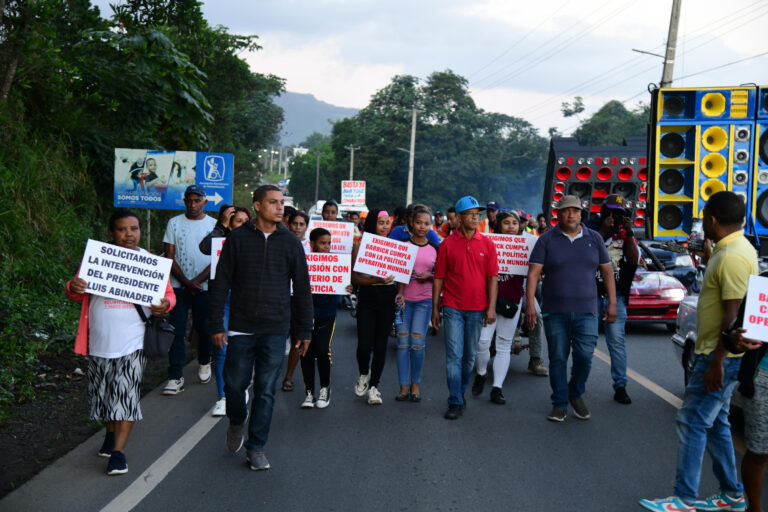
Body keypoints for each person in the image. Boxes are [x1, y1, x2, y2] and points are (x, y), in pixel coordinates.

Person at [640, 191, 757, 512]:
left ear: (712, 219)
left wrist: (717, 361)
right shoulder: (729, 250)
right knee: (717, 422)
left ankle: (684, 497)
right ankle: (732, 493)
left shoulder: (732, 257)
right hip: (717, 353)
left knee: (691, 420)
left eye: (705, 216)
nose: (702, 222)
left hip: (718, 355)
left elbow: (733, 316)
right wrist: (708, 259)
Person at [208, 184, 313, 471]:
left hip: (276, 328)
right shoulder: (238, 239)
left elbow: (303, 288)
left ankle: (256, 448)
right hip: (240, 327)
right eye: (273, 202)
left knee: (266, 391)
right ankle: (236, 421)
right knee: (234, 386)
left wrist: (303, 330)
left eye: (281, 203)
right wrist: (216, 323)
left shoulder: (291, 243)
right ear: (257, 206)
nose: (280, 207)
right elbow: (220, 284)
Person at [66, 209, 175, 475]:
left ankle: (118, 452)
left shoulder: (150, 262)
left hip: (134, 342)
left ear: (140, 231)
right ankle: (110, 434)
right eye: (122, 229)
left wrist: (164, 304)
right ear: (112, 233)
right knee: (104, 397)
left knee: (125, 396)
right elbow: (75, 291)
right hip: (100, 342)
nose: (129, 234)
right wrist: (74, 286)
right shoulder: (97, 259)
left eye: (134, 229)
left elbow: (169, 297)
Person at [526, 194, 616, 423]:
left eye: (575, 210)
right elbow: (533, 274)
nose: (571, 214)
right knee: (557, 357)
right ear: (559, 214)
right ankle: (559, 402)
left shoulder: (594, 238)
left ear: (581, 214)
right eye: (567, 210)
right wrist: (530, 306)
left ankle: (575, 393)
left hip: (587, 310)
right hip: (554, 310)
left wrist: (613, 303)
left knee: (585, 356)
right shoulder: (546, 239)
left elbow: (607, 273)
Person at [432, 196, 498, 420]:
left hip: (478, 309)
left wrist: (491, 307)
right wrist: (435, 308)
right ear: (459, 218)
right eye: (470, 213)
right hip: (452, 307)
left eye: (476, 213)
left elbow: (492, 278)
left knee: (470, 357)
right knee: (453, 355)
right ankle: (454, 400)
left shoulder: (487, 243)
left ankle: (459, 393)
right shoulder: (447, 244)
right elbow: (438, 278)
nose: (475, 217)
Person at [472, 210, 539, 404]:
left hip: (512, 301)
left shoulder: (527, 246)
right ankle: (482, 373)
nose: (511, 227)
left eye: (515, 223)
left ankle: (497, 387)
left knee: (504, 345)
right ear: (498, 225)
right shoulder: (485, 243)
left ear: (520, 227)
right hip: (488, 301)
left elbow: (536, 273)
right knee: (482, 343)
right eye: (506, 223)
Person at [162, 185, 217, 395]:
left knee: (204, 327)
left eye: (197, 200)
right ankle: (175, 377)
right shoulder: (174, 223)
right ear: (185, 201)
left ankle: (204, 361)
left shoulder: (214, 225)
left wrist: (197, 281)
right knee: (176, 331)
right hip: (177, 288)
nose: (193, 205)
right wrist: (186, 282)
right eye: (189, 200)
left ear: (205, 202)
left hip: (204, 287)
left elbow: (217, 258)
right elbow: (169, 256)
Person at [199, 205, 253, 417]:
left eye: (245, 221)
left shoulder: (258, 242)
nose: (242, 226)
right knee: (221, 348)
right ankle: (223, 397)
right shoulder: (220, 240)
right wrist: (221, 224)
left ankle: (239, 388)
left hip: (247, 302)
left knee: (244, 348)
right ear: (229, 224)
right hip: (223, 300)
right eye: (237, 221)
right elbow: (204, 248)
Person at [585, 195, 639, 405]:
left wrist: (630, 234)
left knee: (616, 343)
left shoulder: (626, 233)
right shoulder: (590, 226)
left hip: (616, 296)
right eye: (612, 212)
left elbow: (634, 260)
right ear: (604, 211)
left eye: (620, 213)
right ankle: (578, 386)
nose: (615, 217)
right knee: (586, 343)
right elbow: (585, 252)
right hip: (591, 295)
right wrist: (604, 231)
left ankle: (621, 386)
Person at [300, 227, 353, 409]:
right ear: (312, 243)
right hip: (305, 314)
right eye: (323, 243)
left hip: (327, 313)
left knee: (322, 351)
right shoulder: (303, 262)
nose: (326, 247)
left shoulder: (336, 262)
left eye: (329, 243)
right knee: (305, 352)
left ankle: (324, 388)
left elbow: (342, 284)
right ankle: (309, 393)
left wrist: (347, 288)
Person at [351, 208, 397, 405]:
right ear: (371, 224)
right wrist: (377, 279)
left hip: (388, 298)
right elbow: (355, 278)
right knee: (364, 346)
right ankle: (364, 373)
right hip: (368, 298)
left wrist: (401, 293)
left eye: (387, 222)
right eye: (381, 223)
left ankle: (374, 387)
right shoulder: (360, 246)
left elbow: (401, 276)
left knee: (380, 346)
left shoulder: (396, 247)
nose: (385, 226)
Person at [394, 205, 438, 402]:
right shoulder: (403, 246)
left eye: (426, 223)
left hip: (424, 302)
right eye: (419, 222)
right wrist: (399, 294)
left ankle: (415, 384)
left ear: (431, 225)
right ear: (412, 222)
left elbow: (441, 275)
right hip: (404, 301)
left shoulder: (436, 248)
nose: (422, 226)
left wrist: (429, 275)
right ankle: (403, 386)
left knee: (418, 344)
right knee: (403, 343)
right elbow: (398, 274)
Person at [282, 210, 311, 393]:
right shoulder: (280, 243)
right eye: (295, 224)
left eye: (302, 224)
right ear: (288, 224)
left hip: (299, 299)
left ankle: (288, 376)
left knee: (296, 339)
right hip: (280, 297)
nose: (298, 228)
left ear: (306, 227)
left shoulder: (312, 247)